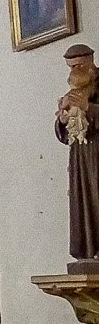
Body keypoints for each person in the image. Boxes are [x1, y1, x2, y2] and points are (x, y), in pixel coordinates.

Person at [56, 43, 99, 267]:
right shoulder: (73, 90)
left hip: (97, 155)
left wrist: (89, 108)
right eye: (71, 66)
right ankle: (86, 250)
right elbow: (64, 133)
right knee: (81, 200)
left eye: (79, 65)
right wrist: (62, 119)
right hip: (80, 157)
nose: (75, 71)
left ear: (90, 62)